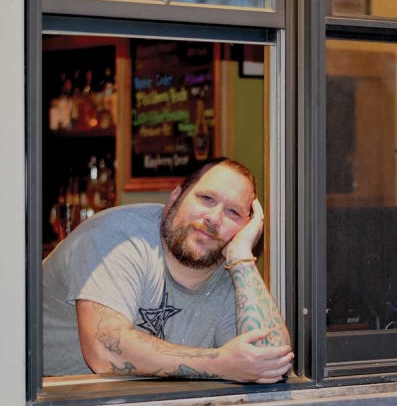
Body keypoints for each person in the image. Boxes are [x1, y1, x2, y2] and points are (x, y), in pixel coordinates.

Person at [43, 157, 292, 383]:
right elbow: (106, 350)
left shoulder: (231, 272)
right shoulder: (116, 237)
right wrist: (220, 364)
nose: (215, 218)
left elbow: (272, 364)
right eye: (207, 199)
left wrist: (242, 258)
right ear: (175, 198)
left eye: (233, 212)